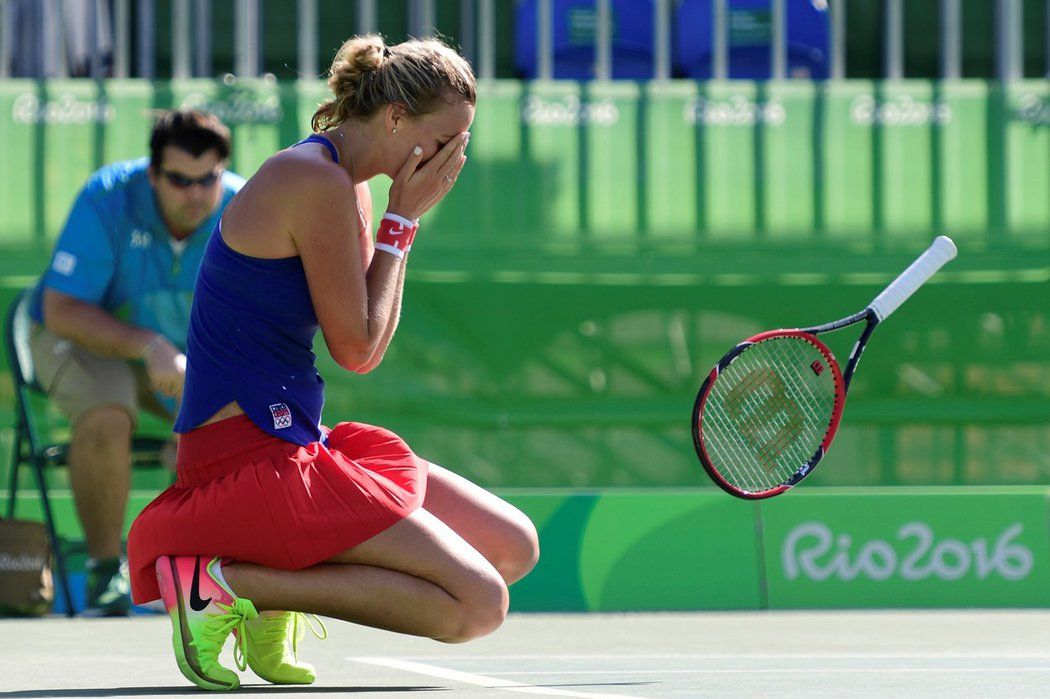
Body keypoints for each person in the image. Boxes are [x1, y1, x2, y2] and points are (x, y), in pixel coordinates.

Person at [127, 35, 540, 691]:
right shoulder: (311, 180)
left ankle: (267, 596)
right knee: (477, 605)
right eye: (447, 139)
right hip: (245, 460)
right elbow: (356, 349)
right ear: (396, 118)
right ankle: (220, 581)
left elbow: (364, 348)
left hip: (295, 440)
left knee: (513, 542)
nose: (453, 159)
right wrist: (404, 219)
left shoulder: (348, 187)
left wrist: (399, 219)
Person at [29, 110, 243, 616]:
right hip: (78, 336)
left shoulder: (245, 206)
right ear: (152, 174)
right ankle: (105, 574)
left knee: (215, 426)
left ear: (223, 171)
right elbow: (62, 309)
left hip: (185, 354)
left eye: (207, 179)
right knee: (107, 411)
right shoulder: (108, 197)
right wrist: (149, 346)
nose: (194, 193)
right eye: (178, 180)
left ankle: (190, 573)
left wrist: (205, 402)